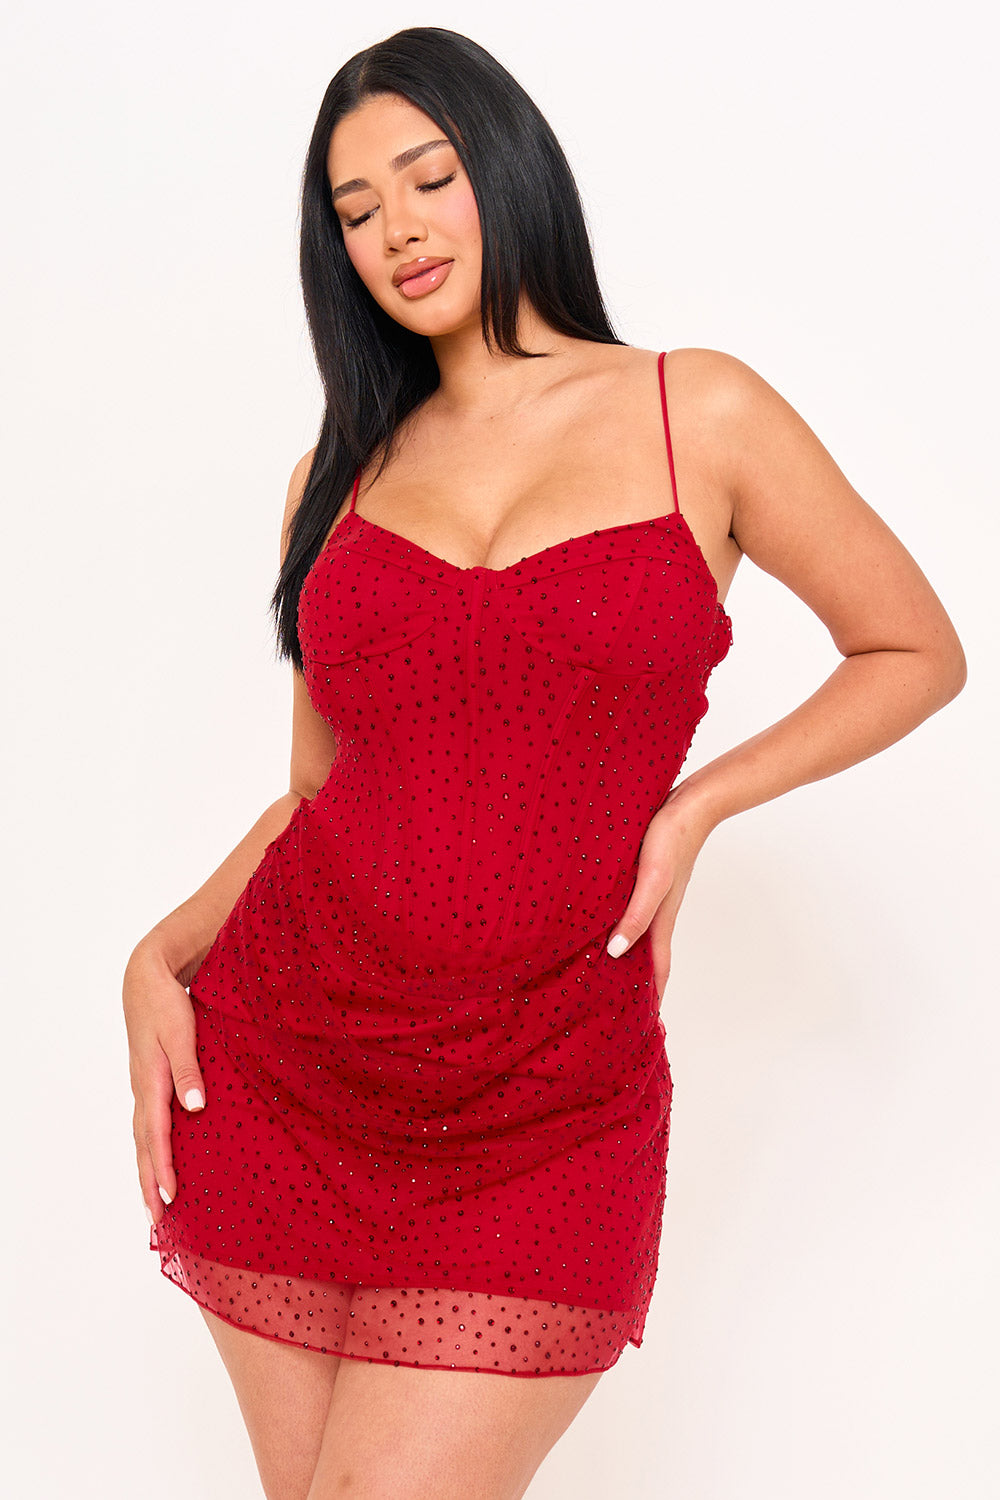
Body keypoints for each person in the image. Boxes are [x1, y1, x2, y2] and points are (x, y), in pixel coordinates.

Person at [122, 25, 966, 1500]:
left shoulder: (699, 411)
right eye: (356, 210)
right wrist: (161, 952)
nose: (398, 229)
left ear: (508, 170)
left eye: (428, 177)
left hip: (547, 1103)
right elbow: (320, 795)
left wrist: (696, 807)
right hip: (289, 1072)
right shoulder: (337, 476)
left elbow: (913, 648)